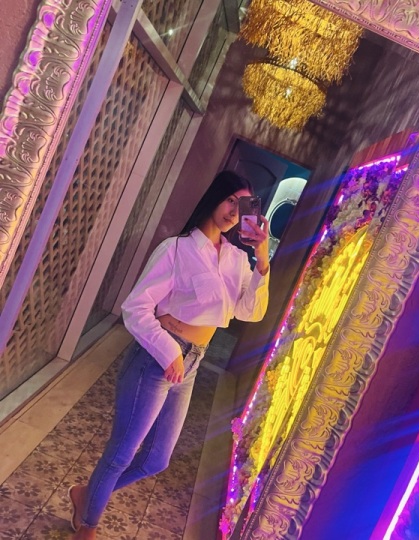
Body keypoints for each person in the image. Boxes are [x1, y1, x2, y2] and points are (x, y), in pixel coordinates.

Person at [68, 170, 270, 539]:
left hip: (193, 362)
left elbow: (250, 311)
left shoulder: (236, 260)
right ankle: (87, 526)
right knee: (122, 453)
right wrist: (168, 352)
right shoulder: (176, 249)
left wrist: (261, 257)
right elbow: (136, 308)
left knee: (157, 459)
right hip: (156, 359)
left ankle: (87, 495)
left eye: (242, 205)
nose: (234, 211)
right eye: (230, 200)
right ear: (216, 197)